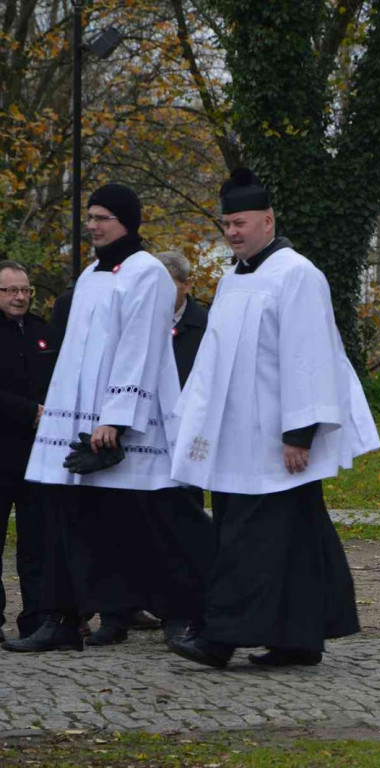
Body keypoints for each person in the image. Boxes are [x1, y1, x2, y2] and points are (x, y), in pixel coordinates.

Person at [167, 168, 379, 669]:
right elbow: (214, 362)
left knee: (248, 543)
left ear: (267, 219)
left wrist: (299, 433)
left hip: (274, 441)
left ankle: (220, 637)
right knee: (297, 539)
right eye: (226, 224)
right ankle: (299, 638)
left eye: (241, 222)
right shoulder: (232, 279)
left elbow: (309, 357)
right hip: (236, 439)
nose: (233, 232)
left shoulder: (296, 274)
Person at [3, 183, 212, 653]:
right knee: (67, 519)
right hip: (75, 419)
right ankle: (61, 618)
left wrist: (115, 418)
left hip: (129, 423)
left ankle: (185, 615)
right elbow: (76, 354)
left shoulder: (148, 274)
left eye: (102, 218)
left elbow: (140, 348)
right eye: (91, 217)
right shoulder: (93, 275)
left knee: (152, 519)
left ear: (127, 221)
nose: (93, 225)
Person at [0, 260, 58, 642]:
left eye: (25, 290)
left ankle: (37, 621)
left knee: (37, 542)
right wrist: (29, 412)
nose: (20, 297)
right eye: (11, 290)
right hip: (2, 449)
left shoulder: (43, 331)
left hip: (38, 454)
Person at [153, 251, 208, 387]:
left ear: (187, 285)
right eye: (154, 286)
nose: (159, 292)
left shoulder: (208, 327)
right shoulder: (138, 322)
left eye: (167, 286)